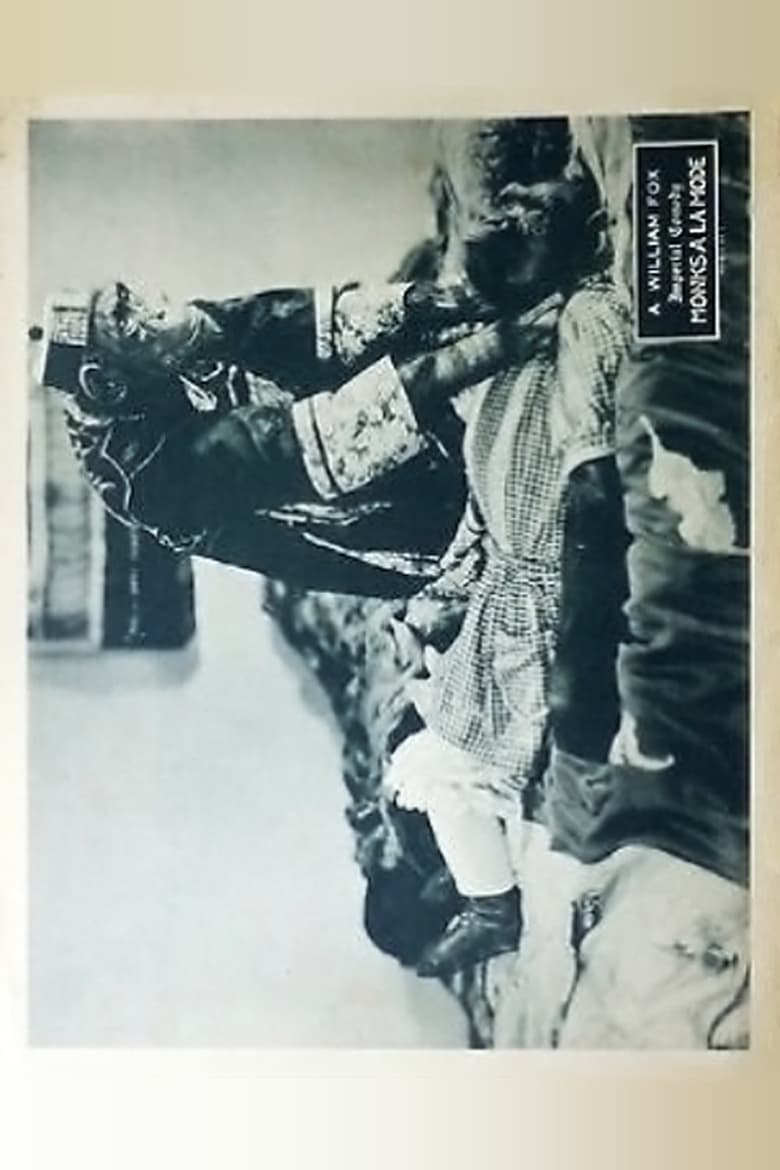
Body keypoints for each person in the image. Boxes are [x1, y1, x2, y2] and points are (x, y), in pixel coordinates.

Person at [384, 120, 632, 978]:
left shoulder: (588, 319)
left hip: (541, 594)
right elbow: (482, 509)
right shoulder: (514, 336)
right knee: (416, 738)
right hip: (502, 584)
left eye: (535, 210)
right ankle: (484, 891)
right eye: (505, 209)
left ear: (583, 230)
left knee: (438, 764)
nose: (512, 211)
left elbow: (591, 487)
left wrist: (576, 663)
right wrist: (435, 598)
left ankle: (494, 908)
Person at [38, 276, 512, 598]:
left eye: (128, 295)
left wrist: (430, 300)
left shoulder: (150, 349)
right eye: (126, 317)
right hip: (391, 526)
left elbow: (275, 322)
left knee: (431, 317)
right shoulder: (147, 477)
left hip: (342, 436)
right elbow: (317, 439)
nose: (151, 306)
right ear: (105, 385)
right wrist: (494, 346)